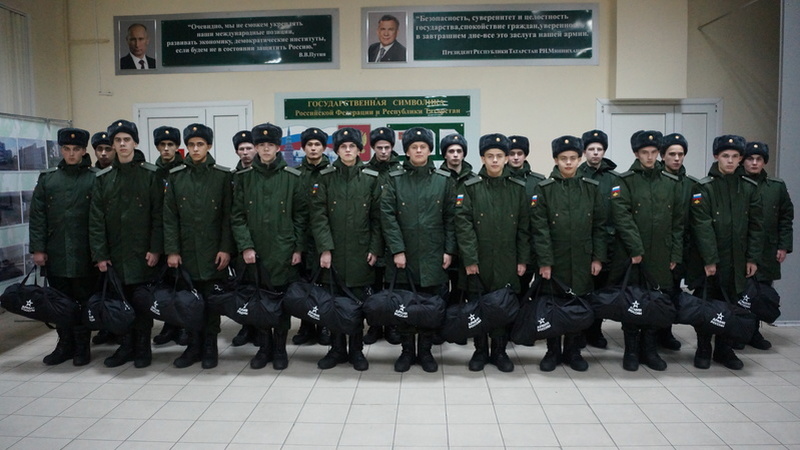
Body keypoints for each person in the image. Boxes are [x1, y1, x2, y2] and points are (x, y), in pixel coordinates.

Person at [231, 122, 306, 370]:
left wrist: (297, 248)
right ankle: (264, 348)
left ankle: (280, 349)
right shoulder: (243, 178)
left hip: (283, 251)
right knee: (259, 302)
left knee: (281, 303)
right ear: (255, 147)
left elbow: (301, 217)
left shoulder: (292, 177)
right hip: (255, 253)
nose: (265, 149)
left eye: (270, 145)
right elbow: (237, 216)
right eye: (261, 145)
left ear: (277, 147)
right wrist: (246, 246)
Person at [381, 126, 456, 373]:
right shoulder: (394, 178)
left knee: (430, 308)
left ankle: (425, 351)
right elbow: (387, 216)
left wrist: (449, 250)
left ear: (430, 151)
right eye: (414, 147)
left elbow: (451, 218)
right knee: (404, 307)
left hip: (434, 255)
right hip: (404, 256)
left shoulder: (443, 180)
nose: (419, 151)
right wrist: (397, 250)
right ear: (407, 151)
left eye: (423, 147)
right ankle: (406, 351)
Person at [89, 119, 163, 369]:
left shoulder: (150, 174)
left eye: (127, 140)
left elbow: (158, 215)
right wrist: (100, 255)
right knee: (120, 303)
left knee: (141, 304)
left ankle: (142, 348)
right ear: (112, 145)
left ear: (135, 143)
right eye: (118, 140)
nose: (122, 144)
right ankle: (125, 346)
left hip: (143, 254)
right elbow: (96, 220)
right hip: (115, 255)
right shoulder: (104, 178)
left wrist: (155, 248)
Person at [531, 135, 607, 372]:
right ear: (555, 160)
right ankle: (552, 351)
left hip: (582, 259)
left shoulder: (591, 188)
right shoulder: (544, 189)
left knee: (578, 304)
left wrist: (597, 257)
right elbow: (540, 229)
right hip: (555, 260)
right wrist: (545, 262)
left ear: (580, 159)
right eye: (563, 158)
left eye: (573, 158)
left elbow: (600, 226)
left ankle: (574, 351)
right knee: (553, 305)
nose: (568, 163)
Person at [610, 130, 683, 372]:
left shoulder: (670, 183)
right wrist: (636, 249)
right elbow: (622, 218)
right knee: (633, 301)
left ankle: (650, 350)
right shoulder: (625, 181)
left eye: (653, 152)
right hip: (632, 255)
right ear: (636, 153)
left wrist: (675, 254)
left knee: (656, 301)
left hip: (661, 255)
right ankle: (631, 350)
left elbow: (678, 222)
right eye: (645, 152)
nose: (650, 157)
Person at [455, 133, 529, 372]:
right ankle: (480, 350)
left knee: (502, 306)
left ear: (506, 158)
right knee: (478, 304)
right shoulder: (470, 187)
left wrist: (522, 259)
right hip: (478, 260)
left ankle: (499, 351)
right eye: (490, 156)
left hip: (507, 259)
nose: (495, 160)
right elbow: (463, 225)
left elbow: (524, 228)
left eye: (499, 156)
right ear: (482, 158)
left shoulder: (518, 188)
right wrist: (470, 259)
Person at [688, 135, 763, 370]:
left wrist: (752, 258)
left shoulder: (749, 188)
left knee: (731, 304)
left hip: (737, 261)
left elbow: (757, 226)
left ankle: (724, 349)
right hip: (709, 262)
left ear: (740, 159)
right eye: (725, 156)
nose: (730, 161)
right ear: (716, 157)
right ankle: (703, 348)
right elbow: (702, 227)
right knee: (707, 305)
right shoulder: (704, 188)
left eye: (734, 156)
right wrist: (710, 260)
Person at [311, 128, 382, 371]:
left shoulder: (371, 178)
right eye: (343, 147)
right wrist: (325, 249)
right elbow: (318, 216)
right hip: (334, 254)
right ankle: (336, 349)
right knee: (334, 303)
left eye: (352, 146)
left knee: (358, 305)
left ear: (360, 150)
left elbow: (378, 218)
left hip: (361, 253)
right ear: (337, 150)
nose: (348, 150)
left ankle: (356, 351)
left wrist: (375, 248)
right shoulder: (326, 177)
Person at [164, 124, 234, 369]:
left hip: (213, 252)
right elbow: (169, 217)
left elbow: (228, 216)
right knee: (189, 302)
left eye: (200, 144)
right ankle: (193, 346)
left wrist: (225, 248)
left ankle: (210, 347)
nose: (195, 149)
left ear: (209, 146)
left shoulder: (222, 176)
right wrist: (172, 250)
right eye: (191, 145)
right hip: (186, 253)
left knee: (211, 302)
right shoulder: (176, 176)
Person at [29, 128, 98, 366]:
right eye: (66, 149)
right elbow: (38, 217)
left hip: (85, 253)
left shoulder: (95, 178)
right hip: (56, 253)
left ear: (84, 151)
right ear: (60, 150)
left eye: (76, 149)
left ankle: (82, 346)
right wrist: (38, 249)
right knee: (59, 302)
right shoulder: (48, 179)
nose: (71, 154)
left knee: (83, 300)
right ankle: (64, 344)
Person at [740, 141, 793, 350]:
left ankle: (754, 333)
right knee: (740, 293)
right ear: (743, 161)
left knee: (760, 293)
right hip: (741, 249)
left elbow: (786, 218)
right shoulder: (736, 183)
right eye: (750, 159)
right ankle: (736, 332)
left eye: (759, 159)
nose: (754, 163)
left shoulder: (776, 186)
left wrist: (783, 246)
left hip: (767, 250)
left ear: (764, 162)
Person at [576, 129, 620, 349]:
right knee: (581, 289)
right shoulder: (576, 174)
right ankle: (579, 330)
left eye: (599, 149)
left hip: (607, 243)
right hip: (581, 243)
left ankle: (595, 330)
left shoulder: (614, 179)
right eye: (591, 149)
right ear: (584, 152)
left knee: (601, 290)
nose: (595, 153)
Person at [293, 127, 332, 347]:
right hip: (303, 237)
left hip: (325, 237)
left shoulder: (332, 172)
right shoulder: (296, 173)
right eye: (310, 144)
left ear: (324, 148)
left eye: (318, 144)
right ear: (303, 147)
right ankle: (306, 325)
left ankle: (325, 323)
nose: (314, 148)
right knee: (305, 283)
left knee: (325, 283)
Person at [150, 126, 188, 347]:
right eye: (162, 145)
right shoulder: (152, 173)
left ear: (177, 147)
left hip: (180, 238)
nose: (166, 149)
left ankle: (182, 325)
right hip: (159, 237)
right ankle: (168, 325)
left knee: (181, 284)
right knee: (164, 286)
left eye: (170, 145)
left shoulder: (183, 171)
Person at [363, 127, 402, 346]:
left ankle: (393, 325)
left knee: (394, 285)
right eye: (379, 148)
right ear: (373, 148)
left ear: (392, 147)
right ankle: (375, 325)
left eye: (387, 147)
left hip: (395, 236)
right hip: (373, 236)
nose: (384, 151)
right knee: (375, 286)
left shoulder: (401, 170)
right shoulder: (366, 171)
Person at [438, 133, 477, 343]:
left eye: (459, 151)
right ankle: (442, 328)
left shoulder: (473, 179)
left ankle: (459, 327)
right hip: (443, 243)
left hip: (466, 244)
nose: (455, 155)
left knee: (463, 289)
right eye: (451, 151)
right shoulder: (437, 177)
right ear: (444, 154)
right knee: (443, 289)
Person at [659, 133, 696, 350]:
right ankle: (651, 333)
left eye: (680, 154)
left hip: (682, 248)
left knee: (673, 292)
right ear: (663, 156)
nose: (676, 158)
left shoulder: (691, 185)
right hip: (659, 247)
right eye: (672, 154)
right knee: (657, 294)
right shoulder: (656, 181)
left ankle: (666, 332)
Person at [229, 130, 259, 348]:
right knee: (243, 286)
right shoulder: (233, 177)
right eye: (242, 149)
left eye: (249, 148)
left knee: (261, 286)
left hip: (261, 238)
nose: (246, 152)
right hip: (239, 242)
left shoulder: (261, 174)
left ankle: (260, 325)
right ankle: (246, 326)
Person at [506, 135, 545, 298]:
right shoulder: (500, 180)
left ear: (525, 155)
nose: (515, 157)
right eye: (512, 153)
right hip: (506, 242)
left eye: (519, 153)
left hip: (531, 244)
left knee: (527, 289)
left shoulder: (538, 181)